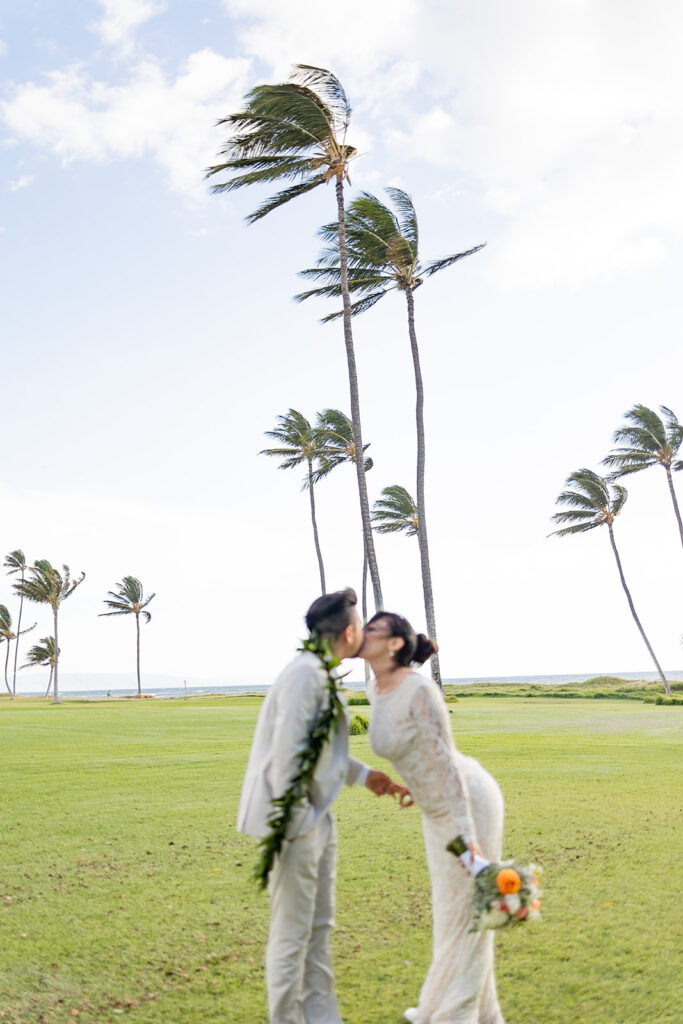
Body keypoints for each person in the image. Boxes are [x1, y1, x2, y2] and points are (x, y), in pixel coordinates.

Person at [237, 588, 408, 1024]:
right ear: (349, 631)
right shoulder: (305, 675)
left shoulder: (321, 673)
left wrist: (365, 775)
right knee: (292, 935)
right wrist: (296, 829)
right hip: (295, 823)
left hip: (317, 817)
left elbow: (320, 752)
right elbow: (290, 754)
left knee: (319, 930)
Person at [361, 611, 506, 1024]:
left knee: (470, 913)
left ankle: (457, 1015)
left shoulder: (420, 690)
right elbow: (415, 749)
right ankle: (474, 1010)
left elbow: (446, 765)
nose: (362, 632)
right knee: (449, 913)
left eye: (373, 629)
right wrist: (410, 786)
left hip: (468, 803)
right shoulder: (376, 688)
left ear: (394, 644)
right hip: (433, 808)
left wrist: (468, 837)